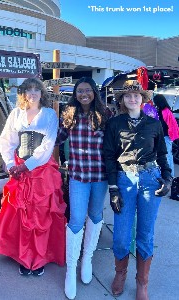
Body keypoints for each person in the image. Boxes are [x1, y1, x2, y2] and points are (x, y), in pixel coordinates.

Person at [103, 80, 172, 299]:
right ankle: (120, 274)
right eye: (128, 96)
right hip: (124, 180)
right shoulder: (114, 124)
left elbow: (162, 154)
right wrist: (113, 188)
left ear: (143, 99)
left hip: (150, 179)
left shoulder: (154, 124)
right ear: (122, 100)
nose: (132, 99)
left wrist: (168, 177)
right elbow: (109, 157)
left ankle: (142, 282)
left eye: (136, 95)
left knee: (145, 233)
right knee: (121, 236)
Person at [0, 77, 66, 276]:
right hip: (19, 170)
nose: (32, 93)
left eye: (36, 89)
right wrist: (10, 164)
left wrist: (27, 165)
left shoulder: (49, 114)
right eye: (28, 90)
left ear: (42, 93)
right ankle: (24, 256)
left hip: (41, 170)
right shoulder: (16, 114)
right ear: (23, 94)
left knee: (41, 215)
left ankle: (39, 257)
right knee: (21, 215)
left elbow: (48, 144)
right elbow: (6, 140)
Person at [57, 77, 110, 299]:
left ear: (94, 93)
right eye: (80, 91)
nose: (84, 94)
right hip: (78, 177)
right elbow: (55, 139)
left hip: (100, 176)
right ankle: (71, 269)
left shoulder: (105, 115)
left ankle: (86, 259)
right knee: (76, 220)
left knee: (96, 216)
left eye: (88, 90)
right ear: (75, 94)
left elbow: (116, 143)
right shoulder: (69, 115)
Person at [153, 94, 179, 177]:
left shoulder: (165, 111)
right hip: (165, 137)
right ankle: (170, 175)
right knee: (167, 156)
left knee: (167, 156)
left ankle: (170, 175)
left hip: (166, 137)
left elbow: (170, 125)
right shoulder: (164, 110)